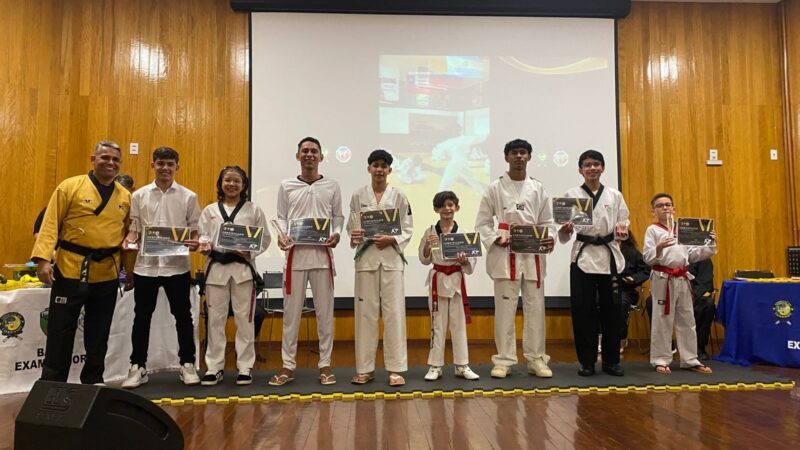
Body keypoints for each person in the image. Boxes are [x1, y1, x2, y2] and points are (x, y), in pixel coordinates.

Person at [31, 140, 131, 385]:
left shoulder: (125, 195)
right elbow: (50, 223)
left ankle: (94, 379)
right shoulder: (70, 186)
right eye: (105, 157)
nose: (110, 163)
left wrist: (129, 268)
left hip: (107, 270)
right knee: (60, 329)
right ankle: (53, 382)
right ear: (93, 159)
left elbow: (129, 234)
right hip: (70, 267)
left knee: (99, 331)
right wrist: (44, 260)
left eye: (115, 159)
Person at [121, 147, 202, 388]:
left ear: (177, 166)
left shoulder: (189, 196)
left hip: (177, 266)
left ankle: (187, 364)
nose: (165, 168)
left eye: (170, 164)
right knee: (141, 318)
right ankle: (138, 366)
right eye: (160, 163)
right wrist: (130, 240)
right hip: (146, 267)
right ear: (152, 165)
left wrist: (195, 242)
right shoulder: (139, 196)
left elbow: (195, 229)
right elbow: (134, 229)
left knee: (183, 317)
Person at [475, 138, 555, 379]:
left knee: (535, 309)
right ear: (506, 157)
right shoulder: (494, 188)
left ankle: (536, 358)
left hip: (532, 256)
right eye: (514, 153)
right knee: (505, 311)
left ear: (529, 157)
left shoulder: (538, 188)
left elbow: (548, 222)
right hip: (504, 254)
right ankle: (504, 360)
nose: (519, 156)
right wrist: (493, 238)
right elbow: (482, 223)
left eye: (523, 152)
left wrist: (549, 238)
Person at [270, 137, 344, 386]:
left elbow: (338, 217)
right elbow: (281, 217)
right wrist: (282, 235)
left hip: (322, 258)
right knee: (291, 315)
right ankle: (287, 366)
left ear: (321, 157)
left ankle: (325, 365)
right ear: (298, 156)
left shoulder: (332, 186)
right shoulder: (286, 185)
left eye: (314, 151)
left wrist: (336, 233)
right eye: (305, 151)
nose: (309, 155)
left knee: (325, 314)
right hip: (295, 257)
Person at [557, 150, 630, 377]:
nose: (592, 168)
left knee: (613, 312)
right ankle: (587, 362)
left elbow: (623, 219)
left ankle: (611, 361)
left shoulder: (614, 195)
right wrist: (565, 229)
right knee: (583, 312)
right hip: (583, 257)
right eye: (587, 165)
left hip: (609, 257)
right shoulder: (572, 194)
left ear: (603, 168)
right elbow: (562, 231)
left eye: (596, 164)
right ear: (580, 169)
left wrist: (622, 227)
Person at [347, 149, 413, 386]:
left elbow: (408, 228)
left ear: (389, 170)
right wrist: (354, 236)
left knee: (394, 313)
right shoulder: (358, 196)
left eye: (383, 166)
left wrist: (392, 239)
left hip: (392, 260)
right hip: (366, 262)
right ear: (369, 168)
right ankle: (365, 369)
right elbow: (351, 227)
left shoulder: (399, 196)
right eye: (375, 165)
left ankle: (396, 369)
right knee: (366, 316)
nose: (379, 169)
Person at [197, 166, 269, 386]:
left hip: (243, 271)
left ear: (244, 185)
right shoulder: (209, 210)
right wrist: (203, 244)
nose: (232, 184)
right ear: (220, 183)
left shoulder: (253, 210)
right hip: (216, 269)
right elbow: (201, 235)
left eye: (237, 181)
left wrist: (250, 251)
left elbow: (264, 238)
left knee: (244, 320)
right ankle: (214, 366)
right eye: (227, 180)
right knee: (215, 321)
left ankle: (245, 366)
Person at [643, 193, 716, 375]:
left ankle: (690, 359)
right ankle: (660, 359)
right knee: (662, 319)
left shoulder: (683, 229)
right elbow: (647, 257)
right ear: (654, 211)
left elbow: (693, 255)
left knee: (687, 318)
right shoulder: (652, 230)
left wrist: (710, 241)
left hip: (683, 277)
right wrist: (659, 247)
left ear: (674, 208)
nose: (665, 208)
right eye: (660, 205)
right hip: (662, 277)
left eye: (668, 205)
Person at [418, 191, 479, 381]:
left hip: (456, 280)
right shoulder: (430, 232)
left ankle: (462, 365)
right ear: (436, 209)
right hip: (437, 280)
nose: (447, 209)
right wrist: (428, 246)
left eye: (451, 205)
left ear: (457, 208)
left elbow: (471, 264)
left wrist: (464, 260)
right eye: (443, 205)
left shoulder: (463, 234)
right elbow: (423, 259)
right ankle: (436, 365)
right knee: (438, 324)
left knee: (458, 324)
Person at [618, 231, 650, 349]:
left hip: (626, 290)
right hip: (606, 289)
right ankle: (600, 339)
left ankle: (621, 339)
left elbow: (646, 270)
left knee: (620, 304)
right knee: (596, 302)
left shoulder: (632, 253)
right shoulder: (604, 252)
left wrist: (634, 278)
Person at [689, 259, 715, 360]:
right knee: (651, 302)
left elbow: (705, 282)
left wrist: (694, 295)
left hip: (695, 294)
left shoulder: (702, 256)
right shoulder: (669, 252)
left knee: (708, 305)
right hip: (672, 293)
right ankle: (666, 346)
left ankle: (699, 346)